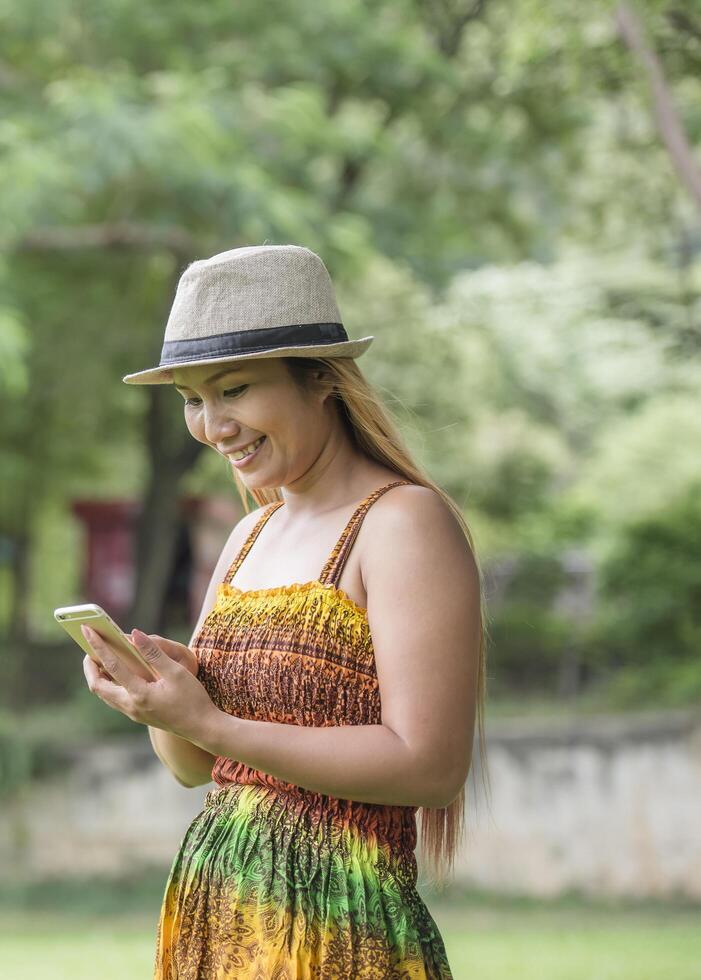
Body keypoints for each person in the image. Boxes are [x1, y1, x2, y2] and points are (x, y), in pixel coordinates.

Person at [79, 245, 483, 979]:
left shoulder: (400, 522)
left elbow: (428, 765)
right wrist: (160, 704)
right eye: (192, 399)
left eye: (232, 389)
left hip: (341, 931)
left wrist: (211, 721)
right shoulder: (247, 536)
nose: (211, 423)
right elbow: (197, 769)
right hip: (219, 920)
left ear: (322, 379)